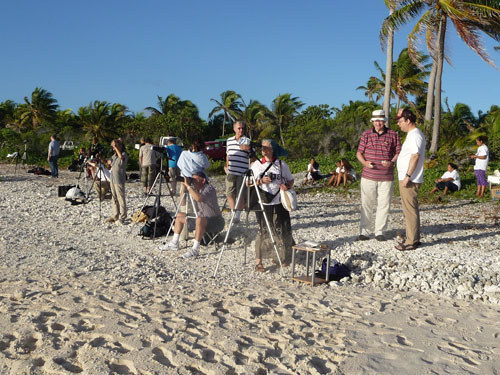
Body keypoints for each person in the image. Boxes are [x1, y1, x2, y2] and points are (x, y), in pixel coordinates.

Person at [356, 109, 402, 241]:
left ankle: (380, 231)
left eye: (380, 121)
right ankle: (364, 231)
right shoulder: (366, 134)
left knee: (384, 204)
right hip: (368, 176)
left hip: (386, 177)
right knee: (367, 204)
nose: (378, 123)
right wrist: (364, 163)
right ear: (373, 122)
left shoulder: (393, 135)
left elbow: (398, 152)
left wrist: (391, 162)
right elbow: (359, 153)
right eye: (376, 120)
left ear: (384, 122)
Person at [251, 139, 294, 272]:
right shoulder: (256, 165)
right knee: (263, 230)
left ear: (272, 149)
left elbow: (291, 180)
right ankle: (259, 261)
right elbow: (248, 183)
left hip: (279, 201)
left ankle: (282, 257)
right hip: (263, 201)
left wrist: (286, 186)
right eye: (262, 147)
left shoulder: (281, 164)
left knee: (282, 228)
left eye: (266, 147)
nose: (263, 149)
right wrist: (260, 180)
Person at [158, 171, 224, 258]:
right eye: (192, 180)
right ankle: (174, 243)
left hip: (215, 221)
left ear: (203, 180)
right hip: (201, 219)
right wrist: (184, 187)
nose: (193, 182)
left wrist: (189, 186)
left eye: (195, 180)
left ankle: (195, 249)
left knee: (200, 219)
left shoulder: (209, 188)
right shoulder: (195, 189)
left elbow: (199, 198)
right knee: (179, 215)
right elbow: (183, 203)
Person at [395, 108, 426, 251]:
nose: (399, 124)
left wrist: (407, 176)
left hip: (410, 179)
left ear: (408, 121)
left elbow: (415, 156)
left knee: (410, 210)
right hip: (408, 177)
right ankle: (413, 238)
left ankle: (411, 241)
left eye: (400, 121)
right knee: (409, 209)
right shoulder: (412, 135)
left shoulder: (415, 135)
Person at [226, 121, 251, 223]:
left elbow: (252, 156)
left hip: (242, 172)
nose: (241, 130)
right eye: (239, 128)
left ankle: (238, 216)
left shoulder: (247, 141)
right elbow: (227, 154)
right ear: (234, 129)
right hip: (231, 171)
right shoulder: (229, 140)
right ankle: (233, 213)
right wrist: (227, 167)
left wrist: (247, 149)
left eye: (242, 128)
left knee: (240, 195)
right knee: (229, 193)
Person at [106, 139, 128, 224]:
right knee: (114, 198)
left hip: (119, 179)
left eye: (114, 146)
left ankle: (123, 216)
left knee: (121, 198)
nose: (113, 148)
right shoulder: (114, 155)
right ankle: (115, 215)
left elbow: (121, 158)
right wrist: (105, 161)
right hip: (112, 178)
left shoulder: (123, 154)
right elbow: (109, 166)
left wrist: (116, 147)